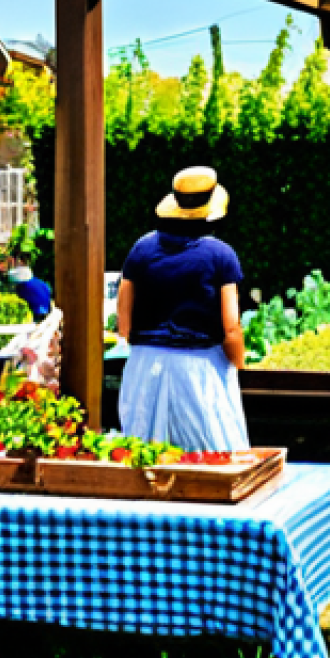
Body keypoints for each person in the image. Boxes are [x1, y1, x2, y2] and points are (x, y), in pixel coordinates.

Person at [116, 166, 249, 452]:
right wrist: (239, 365)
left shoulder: (140, 249)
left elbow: (124, 323)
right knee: (213, 457)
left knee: (143, 459)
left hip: (144, 366)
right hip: (199, 369)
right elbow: (231, 328)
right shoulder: (221, 255)